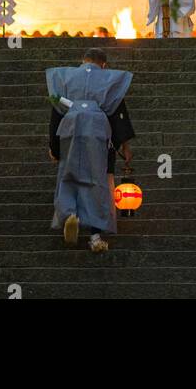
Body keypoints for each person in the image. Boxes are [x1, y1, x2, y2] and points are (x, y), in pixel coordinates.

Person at [47, 47, 134, 253]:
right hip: (98, 133)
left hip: (70, 131)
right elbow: (117, 114)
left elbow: (56, 112)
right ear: (103, 64)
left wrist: (53, 145)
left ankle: (70, 215)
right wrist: (124, 146)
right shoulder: (109, 80)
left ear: (82, 61)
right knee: (98, 181)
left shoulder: (65, 78)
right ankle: (95, 236)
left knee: (68, 175)